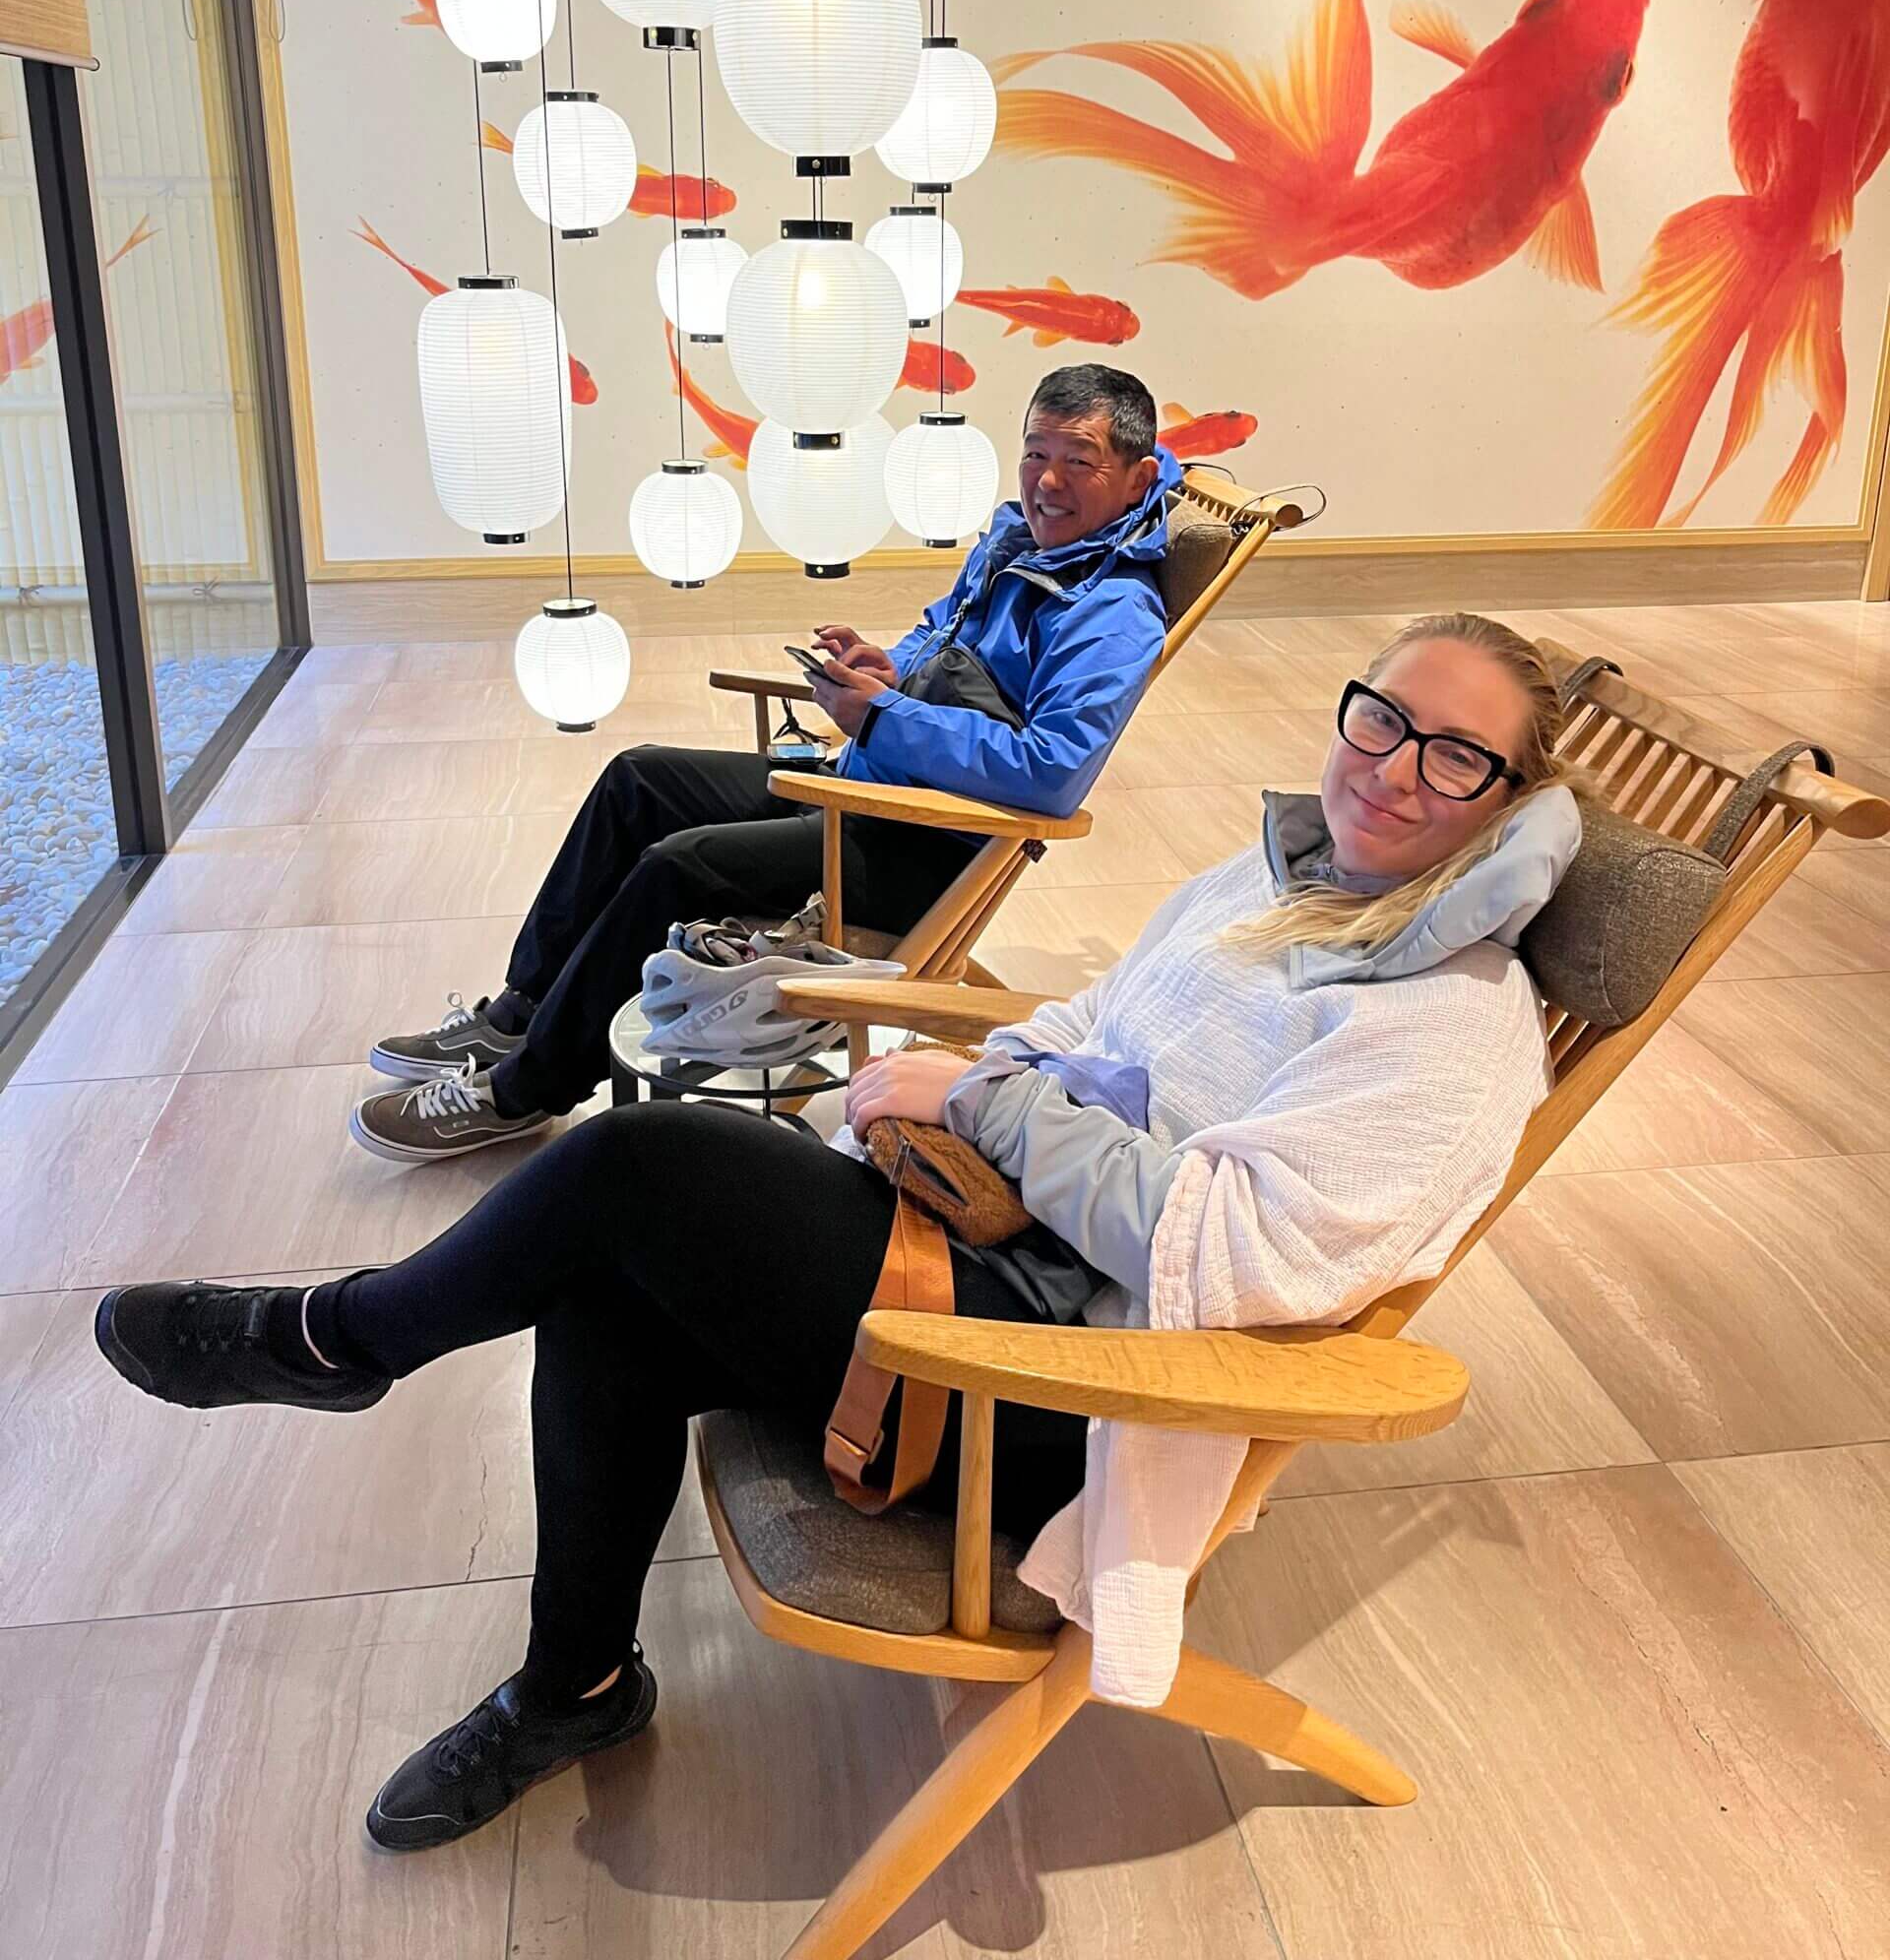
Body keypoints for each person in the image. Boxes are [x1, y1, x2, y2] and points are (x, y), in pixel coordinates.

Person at [97, 613, 1581, 1841]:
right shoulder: (1280, 886)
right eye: (1380, 717)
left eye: (1456, 756)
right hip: (986, 1259)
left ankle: (331, 1338)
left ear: (1509, 803)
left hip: (1072, 1390)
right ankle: (577, 1686)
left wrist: (991, 1108)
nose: (1394, 769)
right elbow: (1084, 1025)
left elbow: (1232, 1249)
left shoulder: (1450, 1030)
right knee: (608, 1288)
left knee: (637, 1166)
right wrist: (953, 1090)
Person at [350, 364, 1178, 1161]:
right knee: (638, 778)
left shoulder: (1112, 611)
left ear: (1137, 480)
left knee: (680, 868)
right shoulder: (1019, 544)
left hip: (927, 840)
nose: (1047, 482)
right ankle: (526, 1008)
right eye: (1037, 452)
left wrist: (885, 715)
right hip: (871, 783)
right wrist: (888, 668)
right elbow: (945, 642)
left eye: (1080, 462)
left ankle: (522, 1089)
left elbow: (1050, 771)